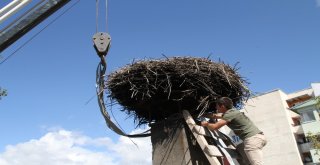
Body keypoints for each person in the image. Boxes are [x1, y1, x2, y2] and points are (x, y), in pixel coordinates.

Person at [200, 97, 267, 165]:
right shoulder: (233, 112)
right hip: (258, 137)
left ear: (222, 106)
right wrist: (203, 114)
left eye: (217, 106)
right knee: (249, 161)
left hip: (252, 139)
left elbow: (215, 127)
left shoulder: (230, 114)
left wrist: (206, 124)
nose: (216, 108)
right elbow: (215, 116)